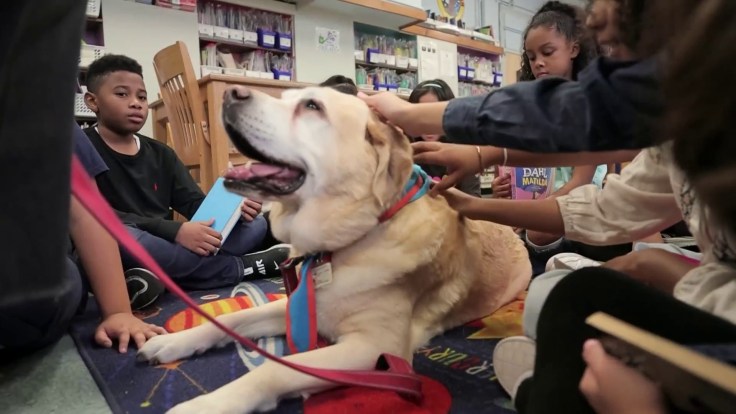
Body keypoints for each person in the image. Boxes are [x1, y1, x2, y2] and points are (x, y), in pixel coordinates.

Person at [82, 54, 289, 290]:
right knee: (120, 238)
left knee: (256, 226)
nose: (135, 103)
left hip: (170, 245)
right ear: (92, 101)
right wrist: (176, 230)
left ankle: (156, 277)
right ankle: (239, 268)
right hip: (134, 241)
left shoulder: (161, 154)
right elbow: (95, 216)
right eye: (122, 94)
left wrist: (232, 210)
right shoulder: (80, 148)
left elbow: (194, 205)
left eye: (142, 96)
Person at [492, 1, 608, 268]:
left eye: (548, 52)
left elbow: (580, 183)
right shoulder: (532, 112)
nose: (539, 64)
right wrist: (505, 191)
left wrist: (528, 215)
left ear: (574, 49)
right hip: (537, 216)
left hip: (577, 213)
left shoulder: (590, 107)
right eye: (532, 58)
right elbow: (523, 176)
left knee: (535, 234)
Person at [408, 79, 480, 197]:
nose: (428, 123)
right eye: (422, 115)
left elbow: (474, 199)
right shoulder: (405, 151)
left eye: (435, 114)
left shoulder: (463, 150)